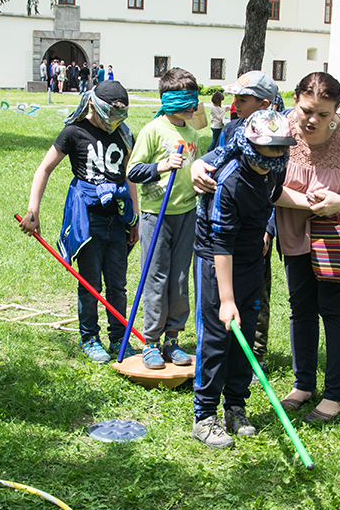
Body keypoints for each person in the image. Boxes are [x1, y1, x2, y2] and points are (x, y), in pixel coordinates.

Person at [272, 72, 340, 424]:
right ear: (296, 101)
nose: (312, 120)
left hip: (336, 239)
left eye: (323, 114)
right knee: (300, 308)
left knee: (334, 310)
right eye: (306, 111)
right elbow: (262, 179)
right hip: (293, 236)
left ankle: (335, 393)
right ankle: (303, 385)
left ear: (337, 110)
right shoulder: (280, 130)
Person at [191, 110, 295, 449]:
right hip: (218, 263)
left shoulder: (272, 170)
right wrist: (226, 299)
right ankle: (205, 416)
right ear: (250, 145)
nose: (276, 157)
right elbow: (221, 242)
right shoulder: (230, 179)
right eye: (269, 150)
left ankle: (236, 407)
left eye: (281, 149)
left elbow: (270, 201)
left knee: (245, 338)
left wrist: (266, 230)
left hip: (251, 261)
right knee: (217, 341)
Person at [20, 81, 139, 364]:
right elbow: (44, 169)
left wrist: (134, 217)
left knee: (117, 284)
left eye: (120, 115)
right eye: (109, 114)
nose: (113, 121)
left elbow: (128, 176)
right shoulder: (74, 132)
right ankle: (90, 337)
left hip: (117, 220)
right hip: (89, 220)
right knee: (90, 283)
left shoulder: (123, 135)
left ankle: (119, 338)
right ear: (92, 106)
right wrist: (33, 211)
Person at [195, 71, 279, 368]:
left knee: (255, 300)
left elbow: (276, 188)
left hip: (256, 238)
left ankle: (253, 355)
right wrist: (197, 166)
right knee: (220, 306)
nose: (235, 104)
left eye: (243, 100)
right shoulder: (233, 131)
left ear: (264, 105)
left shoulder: (277, 139)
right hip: (222, 234)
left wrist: (270, 228)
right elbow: (213, 158)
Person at [126, 67, 201, 369]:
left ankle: (173, 338)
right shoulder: (153, 130)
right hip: (156, 214)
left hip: (187, 212)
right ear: (171, 100)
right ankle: (151, 341)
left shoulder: (193, 134)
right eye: (186, 100)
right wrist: (162, 166)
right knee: (156, 277)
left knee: (180, 278)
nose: (192, 106)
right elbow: (133, 171)